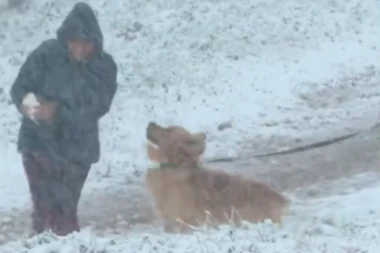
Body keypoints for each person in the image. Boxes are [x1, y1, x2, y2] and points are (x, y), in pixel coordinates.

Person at [10, 2, 118, 236]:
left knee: (66, 211)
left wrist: (58, 112)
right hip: (38, 142)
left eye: (85, 42)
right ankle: (41, 242)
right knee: (43, 208)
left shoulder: (104, 66)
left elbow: (99, 105)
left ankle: (66, 244)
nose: (79, 48)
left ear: (95, 42)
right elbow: (20, 88)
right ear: (65, 39)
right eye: (74, 41)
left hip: (77, 148)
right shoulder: (46, 54)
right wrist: (28, 105)